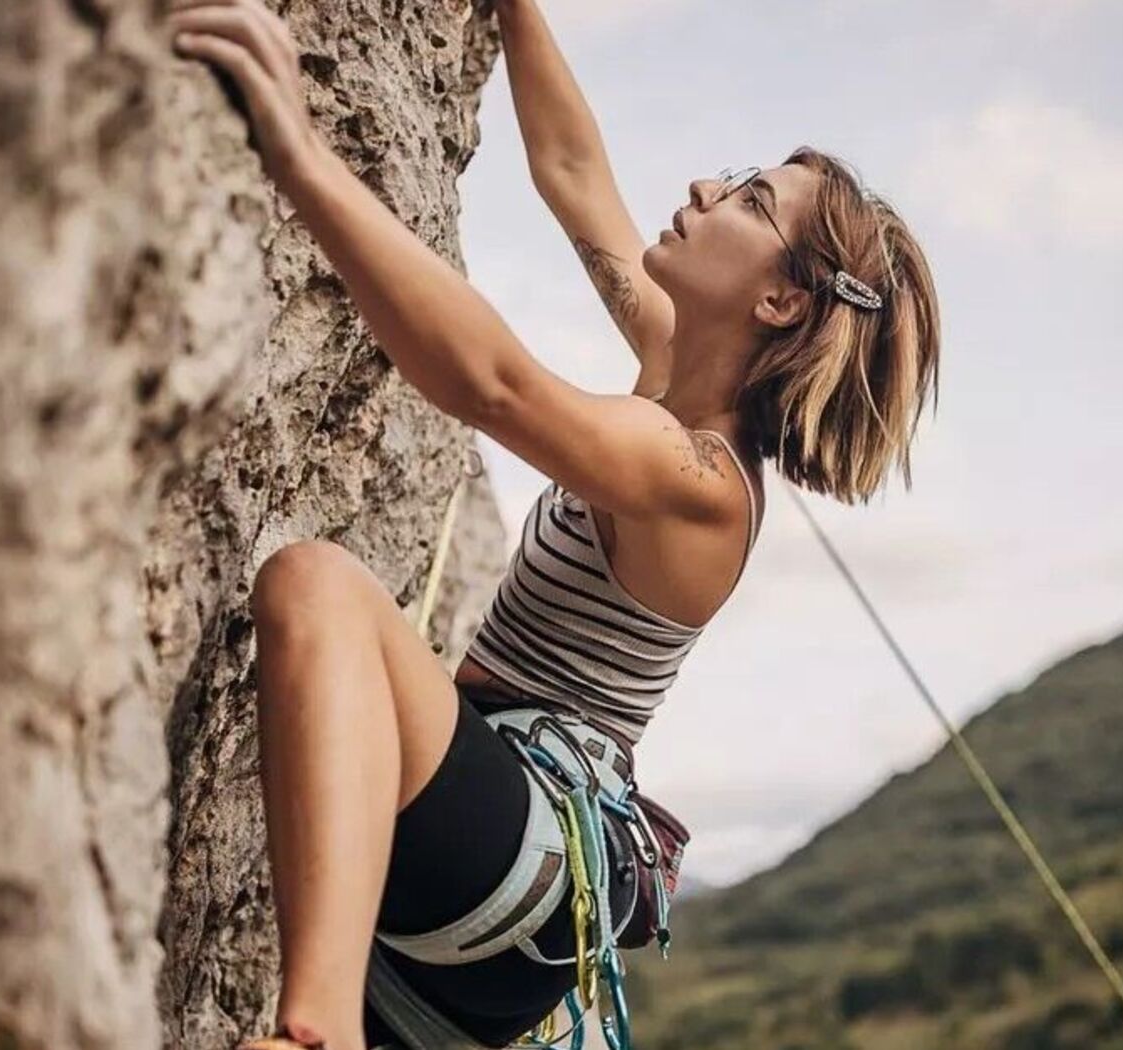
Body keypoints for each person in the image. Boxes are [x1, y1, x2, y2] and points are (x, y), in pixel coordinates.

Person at [163, 1, 942, 1046]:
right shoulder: (674, 375)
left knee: (317, 585)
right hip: (489, 868)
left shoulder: (700, 480)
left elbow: (495, 386)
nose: (704, 189)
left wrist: (301, 159)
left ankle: (316, 1037)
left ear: (781, 304)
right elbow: (575, 177)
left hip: (521, 853)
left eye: (749, 201)